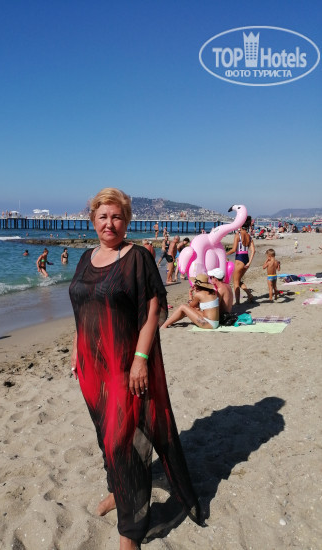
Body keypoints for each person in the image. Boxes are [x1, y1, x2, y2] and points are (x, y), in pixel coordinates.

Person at [69, 188, 204, 549]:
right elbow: (82, 308)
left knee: (121, 441)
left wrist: (141, 359)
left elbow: (152, 309)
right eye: (102, 216)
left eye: (116, 217)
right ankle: (118, 490)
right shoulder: (84, 258)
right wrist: (76, 348)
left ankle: (130, 532)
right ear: (93, 220)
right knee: (105, 436)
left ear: (126, 220)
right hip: (91, 366)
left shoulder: (137, 258)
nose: (109, 223)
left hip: (123, 363)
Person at [226, 216, 255, 304]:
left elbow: (234, 250)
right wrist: (249, 262)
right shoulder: (249, 236)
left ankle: (238, 302)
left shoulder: (238, 235)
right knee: (238, 281)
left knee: (235, 282)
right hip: (246, 259)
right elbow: (253, 251)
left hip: (239, 259)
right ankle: (249, 295)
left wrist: (225, 254)